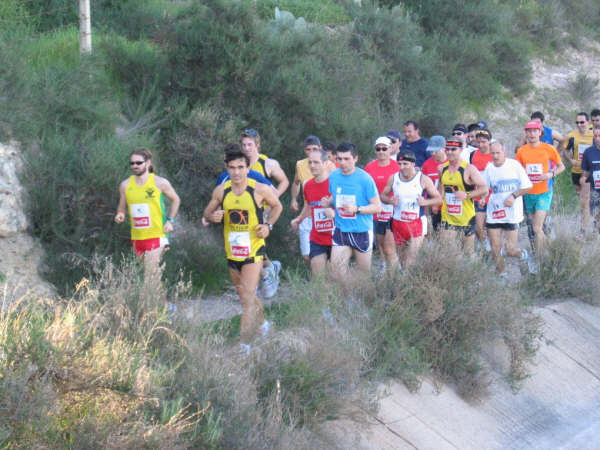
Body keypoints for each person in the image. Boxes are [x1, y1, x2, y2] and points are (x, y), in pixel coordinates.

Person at [203, 146, 283, 353]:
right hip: (232, 252)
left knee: (246, 299)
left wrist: (268, 226)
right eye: (232, 168)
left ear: (248, 168)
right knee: (244, 295)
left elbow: (277, 206)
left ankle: (244, 346)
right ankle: (264, 324)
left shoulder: (259, 189)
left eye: (240, 167)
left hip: (253, 251)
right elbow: (207, 212)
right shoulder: (222, 190)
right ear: (227, 169)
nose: (237, 172)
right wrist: (212, 217)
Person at [115, 147, 181, 282]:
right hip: (137, 237)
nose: (135, 166)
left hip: (157, 234)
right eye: (132, 163)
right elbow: (122, 207)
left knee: (149, 274)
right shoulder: (125, 185)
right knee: (150, 275)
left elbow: (176, 199)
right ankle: (163, 303)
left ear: (148, 163)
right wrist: (120, 215)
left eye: (139, 163)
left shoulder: (160, 182)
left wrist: (170, 221)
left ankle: (151, 304)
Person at [321, 142, 381, 281]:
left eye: (346, 159)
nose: (342, 162)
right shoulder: (334, 176)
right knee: (336, 273)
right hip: (341, 229)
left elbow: (377, 207)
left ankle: (363, 301)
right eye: (339, 159)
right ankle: (346, 301)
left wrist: (357, 209)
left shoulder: (365, 179)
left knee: (363, 276)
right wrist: (328, 202)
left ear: (355, 159)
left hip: (361, 230)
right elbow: (335, 197)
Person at [240, 129, 288, 296]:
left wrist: (274, 197)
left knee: (254, 246)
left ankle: (264, 276)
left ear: (257, 145)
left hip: (264, 211)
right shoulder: (240, 164)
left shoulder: (268, 163)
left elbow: (284, 181)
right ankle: (268, 269)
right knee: (252, 246)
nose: (246, 148)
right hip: (245, 213)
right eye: (244, 145)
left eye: (250, 145)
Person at [381, 150, 441, 267]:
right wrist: (390, 201)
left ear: (413, 164)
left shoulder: (423, 179)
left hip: (417, 222)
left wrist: (425, 202)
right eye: (400, 164)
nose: (402, 167)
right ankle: (404, 281)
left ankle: (411, 280)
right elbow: (383, 196)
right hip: (398, 222)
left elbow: (438, 199)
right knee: (402, 259)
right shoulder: (393, 178)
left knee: (411, 259)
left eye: (405, 164)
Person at [515, 120, 565, 258]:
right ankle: (547, 250)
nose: (531, 134)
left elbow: (561, 167)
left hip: (544, 192)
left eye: (534, 131)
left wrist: (550, 174)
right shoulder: (521, 151)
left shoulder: (548, 148)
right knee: (535, 227)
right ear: (525, 134)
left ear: (540, 133)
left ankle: (541, 258)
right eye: (529, 131)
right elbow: (517, 171)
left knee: (537, 228)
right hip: (528, 193)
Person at [481, 142, 533, 274]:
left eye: (498, 153)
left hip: (511, 213)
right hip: (495, 212)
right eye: (493, 153)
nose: (495, 156)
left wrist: (513, 196)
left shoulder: (514, 166)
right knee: (495, 248)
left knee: (510, 249)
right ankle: (501, 275)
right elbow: (485, 188)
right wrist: (482, 199)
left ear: (505, 152)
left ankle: (523, 255)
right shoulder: (489, 168)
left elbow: (528, 186)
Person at [438, 138, 488, 254]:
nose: (449, 152)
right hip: (448, 216)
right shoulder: (441, 168)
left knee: (468, 252)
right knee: (448, 251)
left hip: (466, 217)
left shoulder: (469, 169)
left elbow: (484, 188)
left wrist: (467, 195)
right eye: (447, 149)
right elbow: (441, 192)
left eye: (453, 149)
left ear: (460, 150)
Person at [290, 135, 335, 263]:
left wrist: (332, 209)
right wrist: (294, 200)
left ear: (320, 149)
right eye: (308, 150)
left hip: (330, 222)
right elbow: (296, 183)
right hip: (311, 218)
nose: (311, 152)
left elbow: (338, 193)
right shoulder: (301, 166)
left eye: (314, 149)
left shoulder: (330, 167)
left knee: (335, 268)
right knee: (308, 256)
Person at [364, 136, 400, 269]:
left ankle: (396, 268)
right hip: (377, 208)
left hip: (393, 207)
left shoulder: (397, 166)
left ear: (390, 149)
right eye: (378, 149)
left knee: (390, 242)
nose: (381, 151)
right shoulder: (369, 168)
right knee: (380, 240)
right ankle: (385, 266)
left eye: (384, 148)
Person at [559, 112, 594, 232]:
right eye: (577, 122)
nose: (579, 125)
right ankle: (590, 218)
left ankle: (583, 230)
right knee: (583, 200)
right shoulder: (572, 136)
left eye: (582, 122)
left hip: (588, 172)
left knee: (585, 201)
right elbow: (564, 149)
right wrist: (570, 160)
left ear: (588, 122)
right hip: (576, 171)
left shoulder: (594, 135)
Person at [471, 129, 494, 251]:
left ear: (489, 141)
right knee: (479, 227)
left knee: (491, 227)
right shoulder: (474, 154)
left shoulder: (494, 155)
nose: (480, 145)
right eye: (478, 142)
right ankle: (485, 248)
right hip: (478, 195)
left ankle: (494, 248)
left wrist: (487, 196)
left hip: (492, 196)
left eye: (484, 142)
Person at [421, 135, 448, 232]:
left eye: (436, 151)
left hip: (449, 204)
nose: (433, 153)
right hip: (432, 204)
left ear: (444, 148)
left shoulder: (451, 162)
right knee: (434, 231)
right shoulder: (427, 164)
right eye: (431, 151)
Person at [580, 126, 600, 232]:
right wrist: (583, 178)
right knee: (596, 215)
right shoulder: (588, 152)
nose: (597, 138)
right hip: (595, 188)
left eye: (599, 136)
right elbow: (586, 171)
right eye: (595, 136)